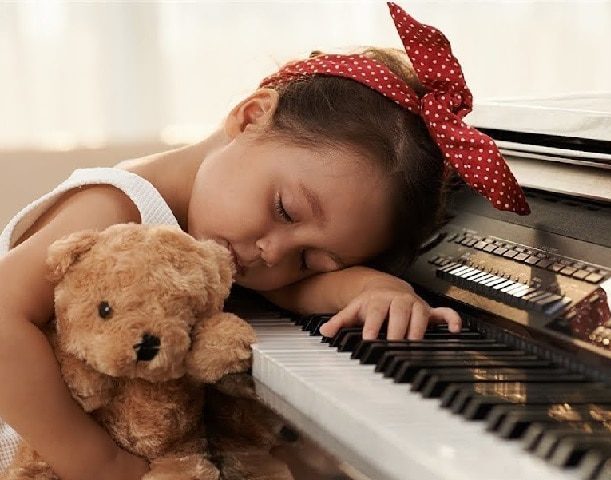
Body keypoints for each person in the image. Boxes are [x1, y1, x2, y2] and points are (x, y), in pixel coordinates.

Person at [0, 3, 529, 479]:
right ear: (251, 116)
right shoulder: (122, 207)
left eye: (311, 260)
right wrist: (99, 465)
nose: (274, 253)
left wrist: (371, 289)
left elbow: (284, 292)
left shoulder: (222, 246)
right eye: (285, 210)